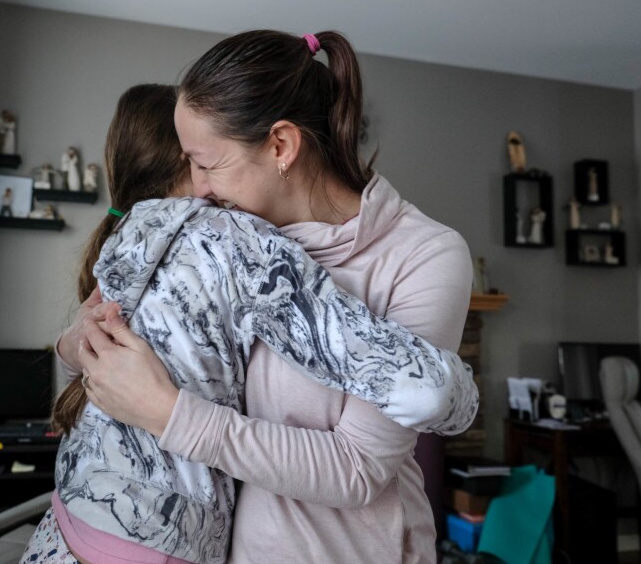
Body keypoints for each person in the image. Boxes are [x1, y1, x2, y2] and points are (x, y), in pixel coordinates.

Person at [64, 31, 475, 563]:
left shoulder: (423, 254)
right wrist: (83, 342)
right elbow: (92, 336)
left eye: (207, 163)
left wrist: (167, 414)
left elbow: (358, 468)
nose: (197, 186)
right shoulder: (225, 234)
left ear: (281, 146)